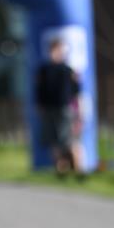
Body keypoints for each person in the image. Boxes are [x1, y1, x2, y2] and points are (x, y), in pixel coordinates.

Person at [36, 38, 80, 176]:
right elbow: (39, 91)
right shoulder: (44, 70)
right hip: (49, 109)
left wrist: (78, 111)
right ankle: (60, 172)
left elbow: (76, 92)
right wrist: (40, 107)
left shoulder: (68, 70)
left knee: (68, 141)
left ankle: (78, 172)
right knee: (53, 142)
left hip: (64, 109)